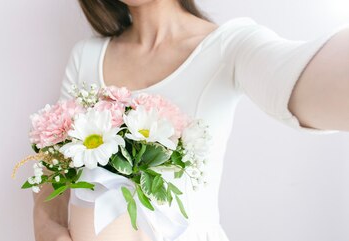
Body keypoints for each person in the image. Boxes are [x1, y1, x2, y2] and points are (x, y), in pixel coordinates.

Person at [32, 0, 349, 241]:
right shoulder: (86, 56)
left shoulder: (231, 45)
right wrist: (50, 230)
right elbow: (50, 181)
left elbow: (297, 76)